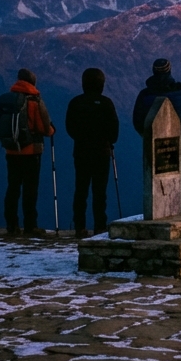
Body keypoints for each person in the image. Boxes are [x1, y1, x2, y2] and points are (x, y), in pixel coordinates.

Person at [0, 68, 55, 236]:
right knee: (30, 189)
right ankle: (30, 226)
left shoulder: (9, 99)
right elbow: (43, 127)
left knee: (13, 187)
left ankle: (11, 225)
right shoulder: (34, 101)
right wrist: (51, 130)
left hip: (11, 150)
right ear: (32, 82)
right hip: (31, 152)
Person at [132, 55, 181, 194]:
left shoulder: (145, 95)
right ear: (169, 71)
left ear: (154, 72)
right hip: (178, 144)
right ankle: (178, 211)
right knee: (178, 184)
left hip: (153, 146)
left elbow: (137, 120)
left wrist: (147, 136)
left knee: (155, 185)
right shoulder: (179, 91)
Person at [65, 67, 120, 238]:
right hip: (102, 153)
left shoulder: (75, 102)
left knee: (80, 190)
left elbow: (70, 127)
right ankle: (100, 226)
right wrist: (108, 141)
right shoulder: (106, 103)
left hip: (81, 152)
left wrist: (81, 139)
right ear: (101, 84)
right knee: (100, 192)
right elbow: (114, 129)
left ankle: (80, 227)